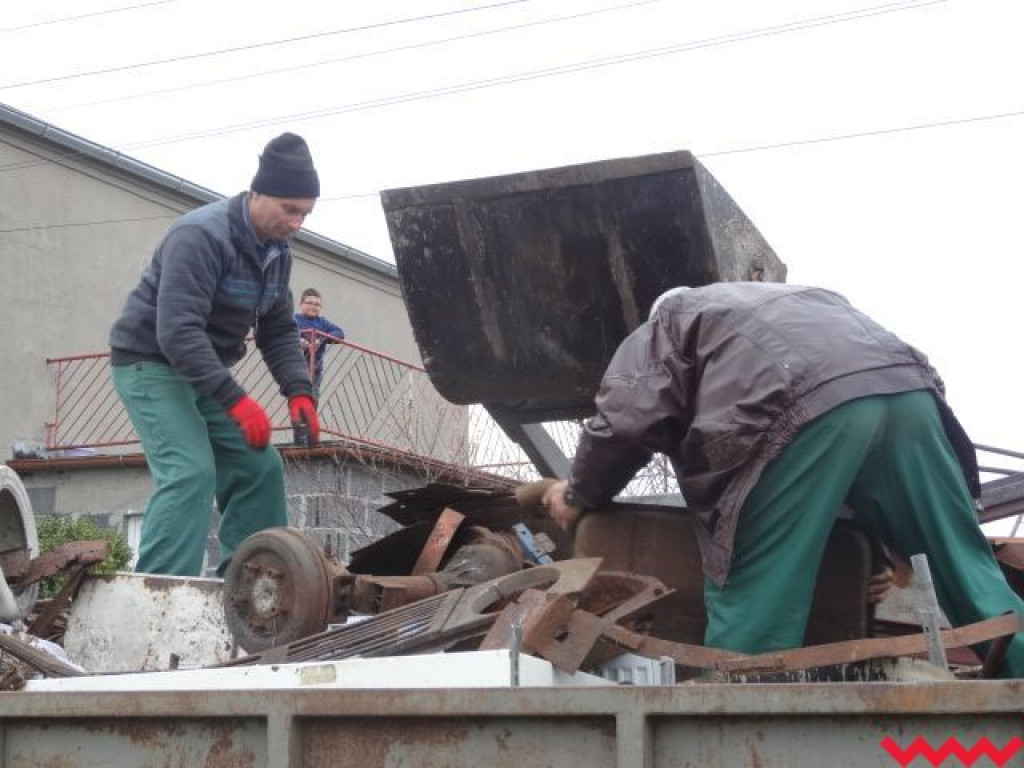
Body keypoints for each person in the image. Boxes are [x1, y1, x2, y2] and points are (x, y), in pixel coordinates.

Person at [542, 282, 1024, 678]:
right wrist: (884, 548)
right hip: (909, 396)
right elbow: (846, 461)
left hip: (791, 409)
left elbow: (626, 419)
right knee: (968, 566)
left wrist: (579, 492)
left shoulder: (672, 318)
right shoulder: (805, 299)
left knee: (757, 606)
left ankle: (748, 730)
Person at [108, 132, 322, 577]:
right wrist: (236, 400)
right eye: (290, 210)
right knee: (190, 472)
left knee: (259, 466)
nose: (297, 223)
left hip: (202, 372)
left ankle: (252, 589)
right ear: (258, 192)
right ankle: (160, 596)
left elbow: (278, 327)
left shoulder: (277, 252)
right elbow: (178, 333)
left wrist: (300, 392)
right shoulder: (200, 236)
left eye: (305, 213)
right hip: (150, 364)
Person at [294, 287, 345, 395]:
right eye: (310, 303)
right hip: (295, 368)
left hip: (314, 372)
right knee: (297, 399)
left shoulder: (322, 322)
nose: (313, 306)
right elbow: (285, 331)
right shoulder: (294, 319)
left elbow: (339, 333)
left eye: (317, 304)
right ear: (301, 304)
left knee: (312, 401)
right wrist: (299, 340)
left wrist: (321, 339)